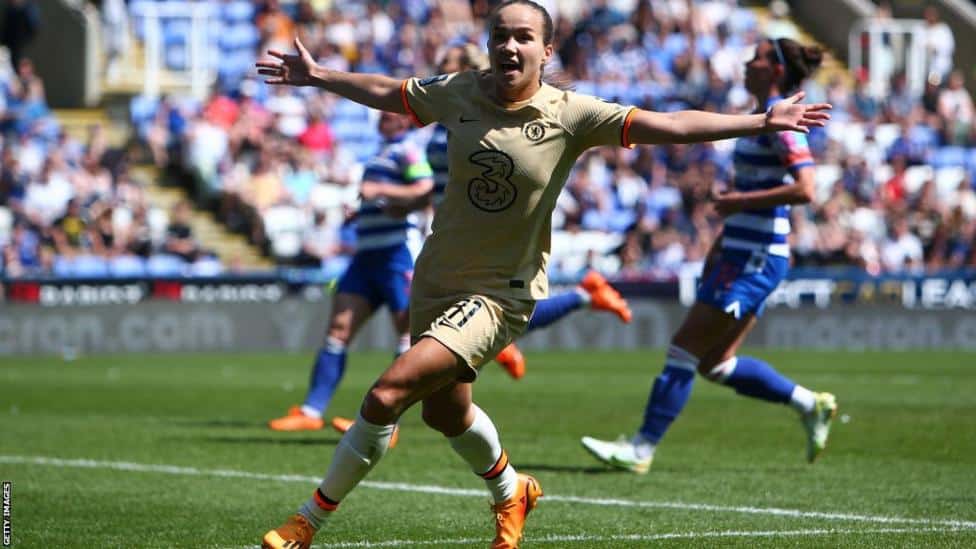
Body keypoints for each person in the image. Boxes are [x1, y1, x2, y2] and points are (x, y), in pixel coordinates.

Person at [255, 2, 829, 546]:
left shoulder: (570, 114)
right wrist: (319, 76)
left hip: (498, 294)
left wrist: (759, 122)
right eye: (500, 34)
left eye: (523, 36)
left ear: (546, 50)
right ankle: (513, 492)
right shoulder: (458, 92)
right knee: (445, 413)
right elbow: (390, 92)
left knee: (386, 395)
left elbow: (670, 123)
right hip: (435, 279)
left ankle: (307, 523)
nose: (509, 44)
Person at [581, 37, 838, 475]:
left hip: (755, 258)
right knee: (715, 363)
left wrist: (738, 203)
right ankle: (808, 404)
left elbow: (806, 188)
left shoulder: (779, 119)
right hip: (741, 251)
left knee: (684, 348)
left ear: (774, 70)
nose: (746, 61)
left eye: (756, 57)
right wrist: (721, 241)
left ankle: (642, 447)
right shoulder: (764, 118)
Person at [267, 110, 434, 432]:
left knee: (405, 333)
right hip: (365, 256)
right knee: (338, 330)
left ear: (404, 120)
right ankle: (311, 411)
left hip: (396, 255)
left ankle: (388, 424)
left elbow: (424, 189)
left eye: (389, 113)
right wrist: (362, 212)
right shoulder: (381, 153)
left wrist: (379, 193)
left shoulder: (408, 150)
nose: (381, 117)